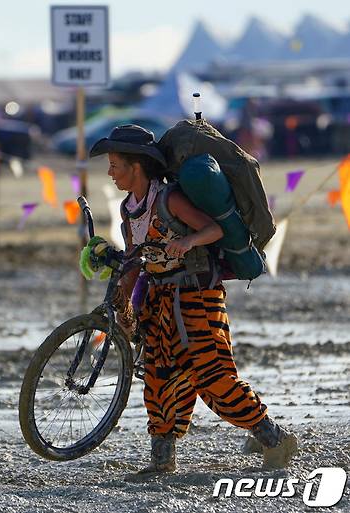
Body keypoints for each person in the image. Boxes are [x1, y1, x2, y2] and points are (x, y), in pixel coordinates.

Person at [84, 125, 297, 473]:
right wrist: (123, 304)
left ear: (136, 166)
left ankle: (274, 438)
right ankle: (162, 461)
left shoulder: (169, 200)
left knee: (213, 376)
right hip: (160, 301)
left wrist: (186, 243)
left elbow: (214, 230)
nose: (110, 173)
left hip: (197, 297)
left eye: (115, 165)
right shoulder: (128, 211)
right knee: (158, 378)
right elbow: (136, 260)